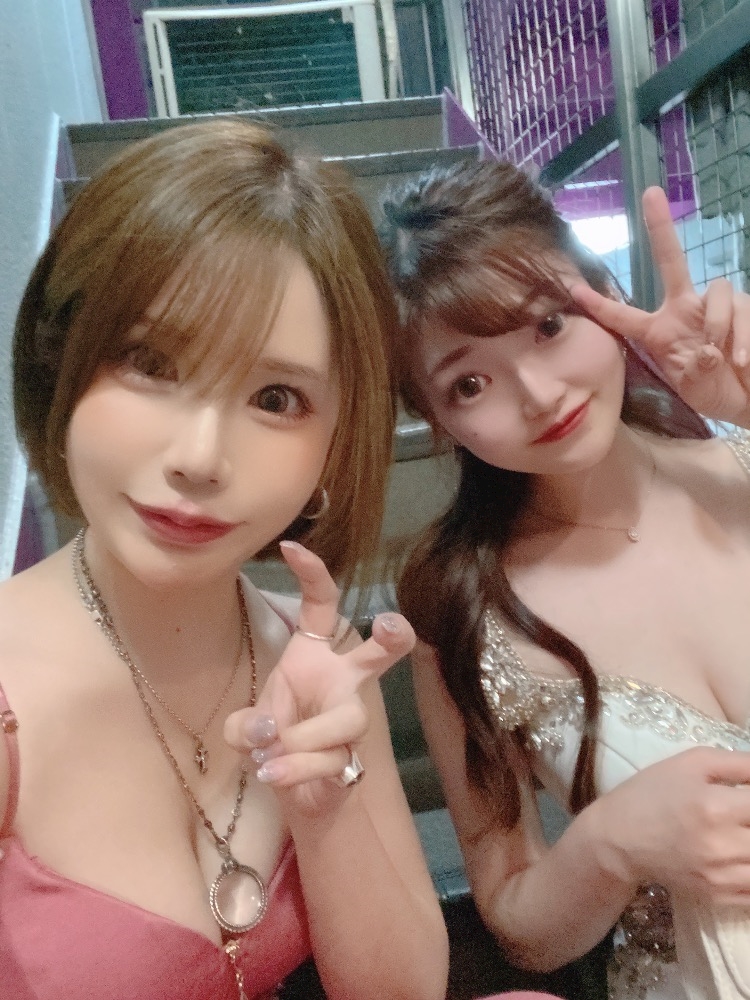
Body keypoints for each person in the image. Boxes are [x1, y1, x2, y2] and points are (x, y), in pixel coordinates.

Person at [0, 118, 451, 1000]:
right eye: (149, 362)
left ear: (335, 439)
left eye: (276, 398)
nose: (201, 458)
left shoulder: (322, 664)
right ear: (61, 363)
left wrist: (326, 811)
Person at [379, 157, 750, 1000]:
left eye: (548, 325)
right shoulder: (463, 609)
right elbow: (519, 927)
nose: (539, 394)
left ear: (603, 289)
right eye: (470, 382)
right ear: (436, 419)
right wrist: (610, 843)